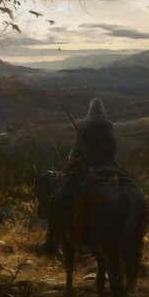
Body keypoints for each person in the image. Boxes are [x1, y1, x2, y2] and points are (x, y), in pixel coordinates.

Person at [38, 98, 118, 253]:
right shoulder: (109, 126)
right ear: (102, 110)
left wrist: (72, 160)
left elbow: (75, 151)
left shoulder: (82, 125)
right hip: (109, 168)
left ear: (89, 110)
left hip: (85, 169)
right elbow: (114, 148)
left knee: (57, 200)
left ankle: (51, 241)